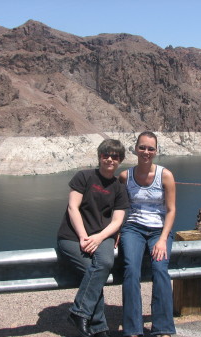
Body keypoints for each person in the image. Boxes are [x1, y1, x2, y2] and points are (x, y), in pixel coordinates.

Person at [57, 138, 129, 337]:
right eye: (105, 155)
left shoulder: (119, 188)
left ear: (120, 160)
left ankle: (79, 312)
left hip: (103, 235)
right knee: (92, 272)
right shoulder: (84, 176)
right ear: (99, 156)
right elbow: (73, 207)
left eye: (115, 156)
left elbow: (117, 220)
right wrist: (83, 236)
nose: (109, 160)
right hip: (72, 236)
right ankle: (98, 329)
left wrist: (99, 238)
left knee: (104, 263)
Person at [119, 131, 176, 337]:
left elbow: (171, 210)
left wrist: (162, 239)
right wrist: (117, 230)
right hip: (133, 228)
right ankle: (132, 329)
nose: (146, 152)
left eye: (150, 148)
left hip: (159, 230)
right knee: (131, 270)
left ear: (156, 151)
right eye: (142, 147)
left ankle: (163, 328)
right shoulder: (125, 176)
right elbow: (121, 208)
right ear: (135, 149)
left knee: (160, 269)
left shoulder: (165, 175)